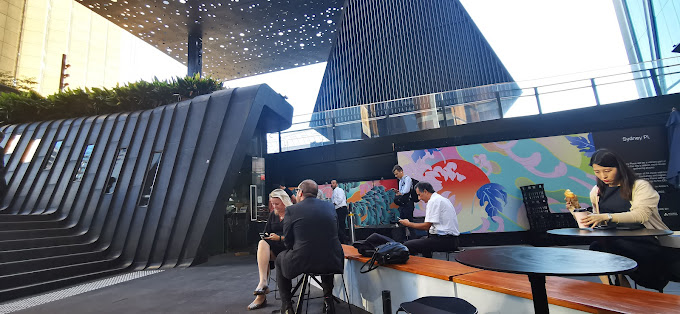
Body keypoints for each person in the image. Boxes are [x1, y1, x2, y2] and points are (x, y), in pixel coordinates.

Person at [572, 148, 673, 291]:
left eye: (607, 171)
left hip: (643, 240)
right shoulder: (597, 191)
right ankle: (620, 294)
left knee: (610, 249)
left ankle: (623, 295)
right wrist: (575, 209)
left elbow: (641, 215)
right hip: (613, 240)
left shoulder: (640, 186)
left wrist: (608, 217)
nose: (602, 176)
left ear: (619, 167)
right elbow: (595, 222)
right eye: (597, 172)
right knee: (597, 248)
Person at [275, 179, 344, 314]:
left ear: (300, 192)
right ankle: (328, 300)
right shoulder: (329, 207)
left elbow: (288, 241)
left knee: (279, 259)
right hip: (333, 261)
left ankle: (287, 305)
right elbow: (335, 232)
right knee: (324, 252)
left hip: (302, 261)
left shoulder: (291, 210)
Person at [248, 189, 292, 310]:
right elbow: (266, 231)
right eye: (272, 203)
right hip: (274, 246)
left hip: (288, 246)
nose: (274, 206)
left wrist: (280, 238)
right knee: (262, 243)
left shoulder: (292, 214)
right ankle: (263, 283)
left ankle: (261, 296)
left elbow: (296, 236)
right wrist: (268, 236)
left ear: (285, 202)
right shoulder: (273, 214)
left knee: (264, 251)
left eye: (277, 204)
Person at [399, 181, 459, 258]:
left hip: (445, 240)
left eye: (419, 195)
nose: (419, 198)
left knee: (407, 245)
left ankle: (420, 267)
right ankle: (428, 264)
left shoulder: (433, 201)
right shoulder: (441, 199)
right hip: (452, 240)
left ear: (425, 191)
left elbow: (426, 226)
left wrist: (408, 224)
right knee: (423, 240)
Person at [393, 165, 416, 241]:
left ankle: (413, 239)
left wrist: (401, 193)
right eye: (395, 174)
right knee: (402, 221)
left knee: (409, 222)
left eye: (397, 174)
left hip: (408, 203)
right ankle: (402, 239)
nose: (396, 176)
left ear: (401, 171)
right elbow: (402, 192)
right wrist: (398, 192)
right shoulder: (400, 181)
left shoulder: (407, 179)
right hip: (402, 203)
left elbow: (406, 190)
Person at [331, 180, 349, 244]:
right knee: (340, 225)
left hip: (341, 209)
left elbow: (340, 199)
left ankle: (344, 238)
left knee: (340, 225)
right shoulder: (334, 192)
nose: (332, 184)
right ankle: (342, 239)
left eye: (333, 183)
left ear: (336, 184)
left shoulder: (339, 190)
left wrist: (334, 203)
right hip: (338, 209)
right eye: (331, 183)